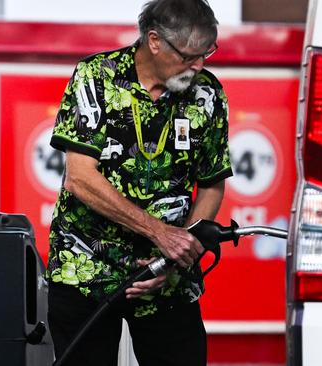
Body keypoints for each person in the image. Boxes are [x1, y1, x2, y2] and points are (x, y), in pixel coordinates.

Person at [46, 0, 232, 365]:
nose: (199, 65)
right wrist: (159, 232)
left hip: (168, 278)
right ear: (155, 41)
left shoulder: (208, 94)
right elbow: (80, 179)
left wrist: (174, 259)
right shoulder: (96, 77)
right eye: (190, 56)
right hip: (85, 268)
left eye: (207, 52)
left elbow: (211, 185)